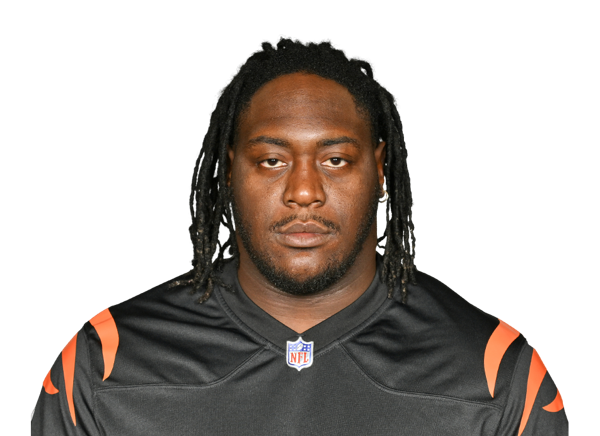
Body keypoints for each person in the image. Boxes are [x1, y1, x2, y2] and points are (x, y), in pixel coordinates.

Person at [30, 37, 568, 435]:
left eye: (335, 160)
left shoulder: (494, 371)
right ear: (229, 171)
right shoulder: (106, 362)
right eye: (272, 160)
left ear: (380, 170)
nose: (304, 191)